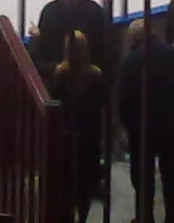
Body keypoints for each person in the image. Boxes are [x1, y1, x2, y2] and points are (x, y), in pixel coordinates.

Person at [114, 18, 174, 223]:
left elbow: (123, 101)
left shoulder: (130, 62)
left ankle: (145, 217)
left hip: (143, 129)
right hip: (173, 126)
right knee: (173, 178)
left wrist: (130, 129)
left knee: (143, 180)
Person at [52, 31, 108, 223]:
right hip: (89, 138)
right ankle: (82, 217)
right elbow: (103, 105)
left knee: (67, 183)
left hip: (67, 137)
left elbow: (56, 102)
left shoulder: (60, 74)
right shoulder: (95, 75)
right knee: (85, 185)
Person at [33, 0, 111, 71]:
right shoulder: (49, 12)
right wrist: (54, 68)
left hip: (87, 72)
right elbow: (43, 50)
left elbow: (102, 48)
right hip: (56, 73)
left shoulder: (95, 12)